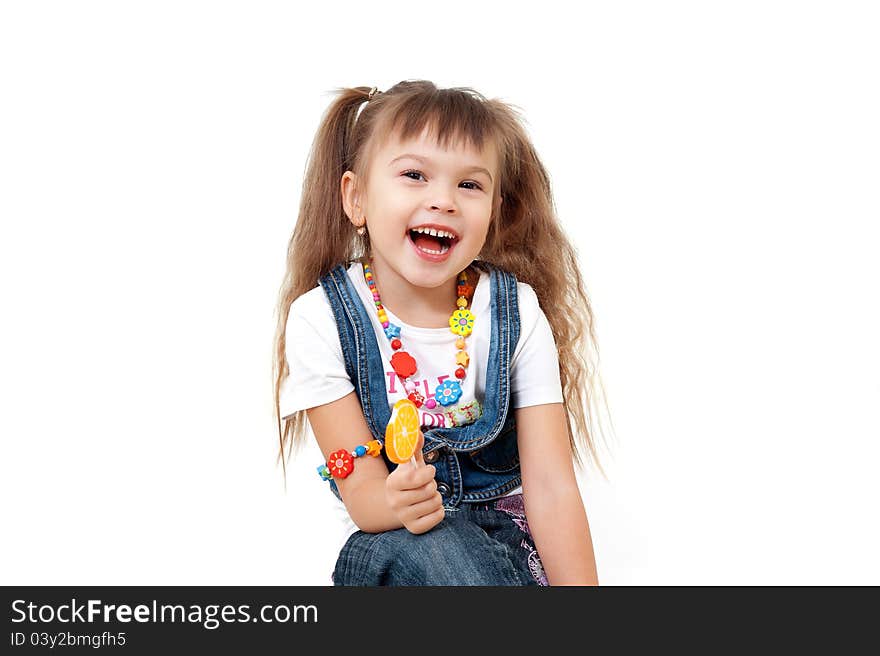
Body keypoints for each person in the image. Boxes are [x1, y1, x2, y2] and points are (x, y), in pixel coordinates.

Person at [273, 80, 611, 586]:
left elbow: (550, 487)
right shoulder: (320, 318)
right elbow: (361, 492)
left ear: (494, 211)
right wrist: (392, 498)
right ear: (356, 198)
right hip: (394, 544)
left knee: (469, 560)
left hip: (503, 555)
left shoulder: (513, 312)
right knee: (434, 546)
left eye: (469, 185)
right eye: (414, 175)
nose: (444, 201)